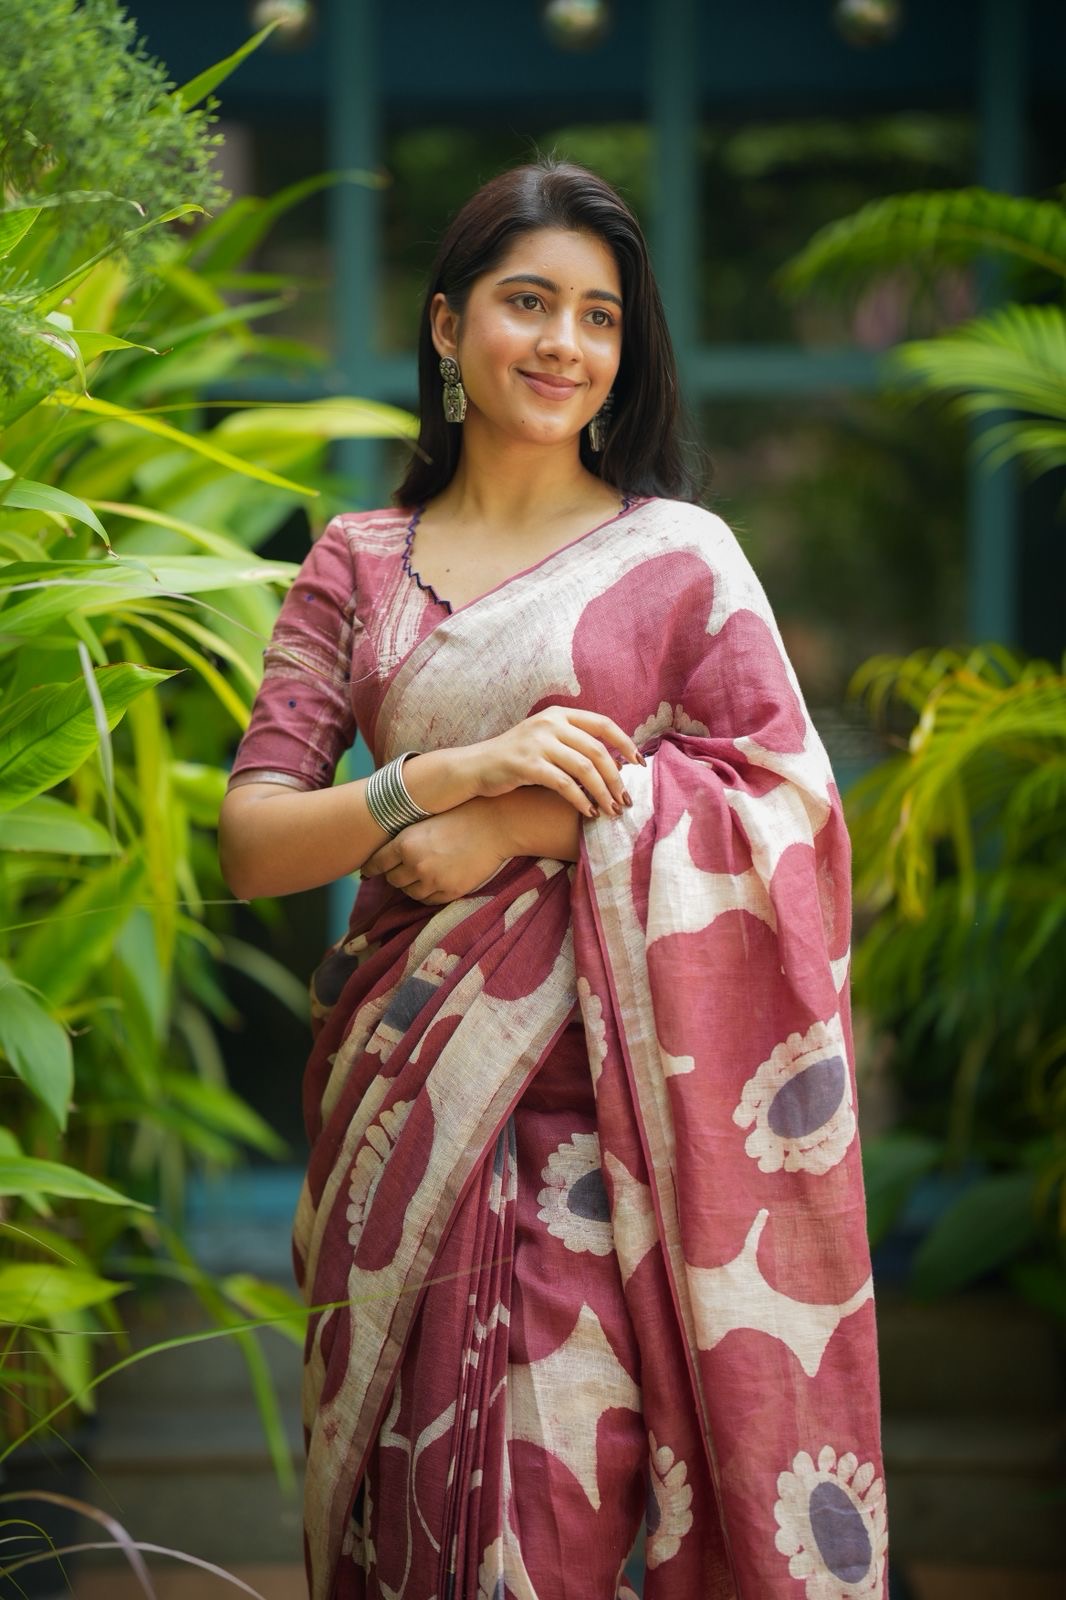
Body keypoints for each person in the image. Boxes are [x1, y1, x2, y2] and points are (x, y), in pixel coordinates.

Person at [218, 156, 888, 1600]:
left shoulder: (682, 563)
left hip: (613, 1145)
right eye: (529, 303)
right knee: (412, 1526)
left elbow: (786, 817)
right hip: (398, 1126)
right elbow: (259, 837)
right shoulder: (361, 562)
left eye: (600, 317)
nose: (565, 345)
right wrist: (437, 780)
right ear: (449, 327)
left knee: (548, 1528)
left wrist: (523, 825)